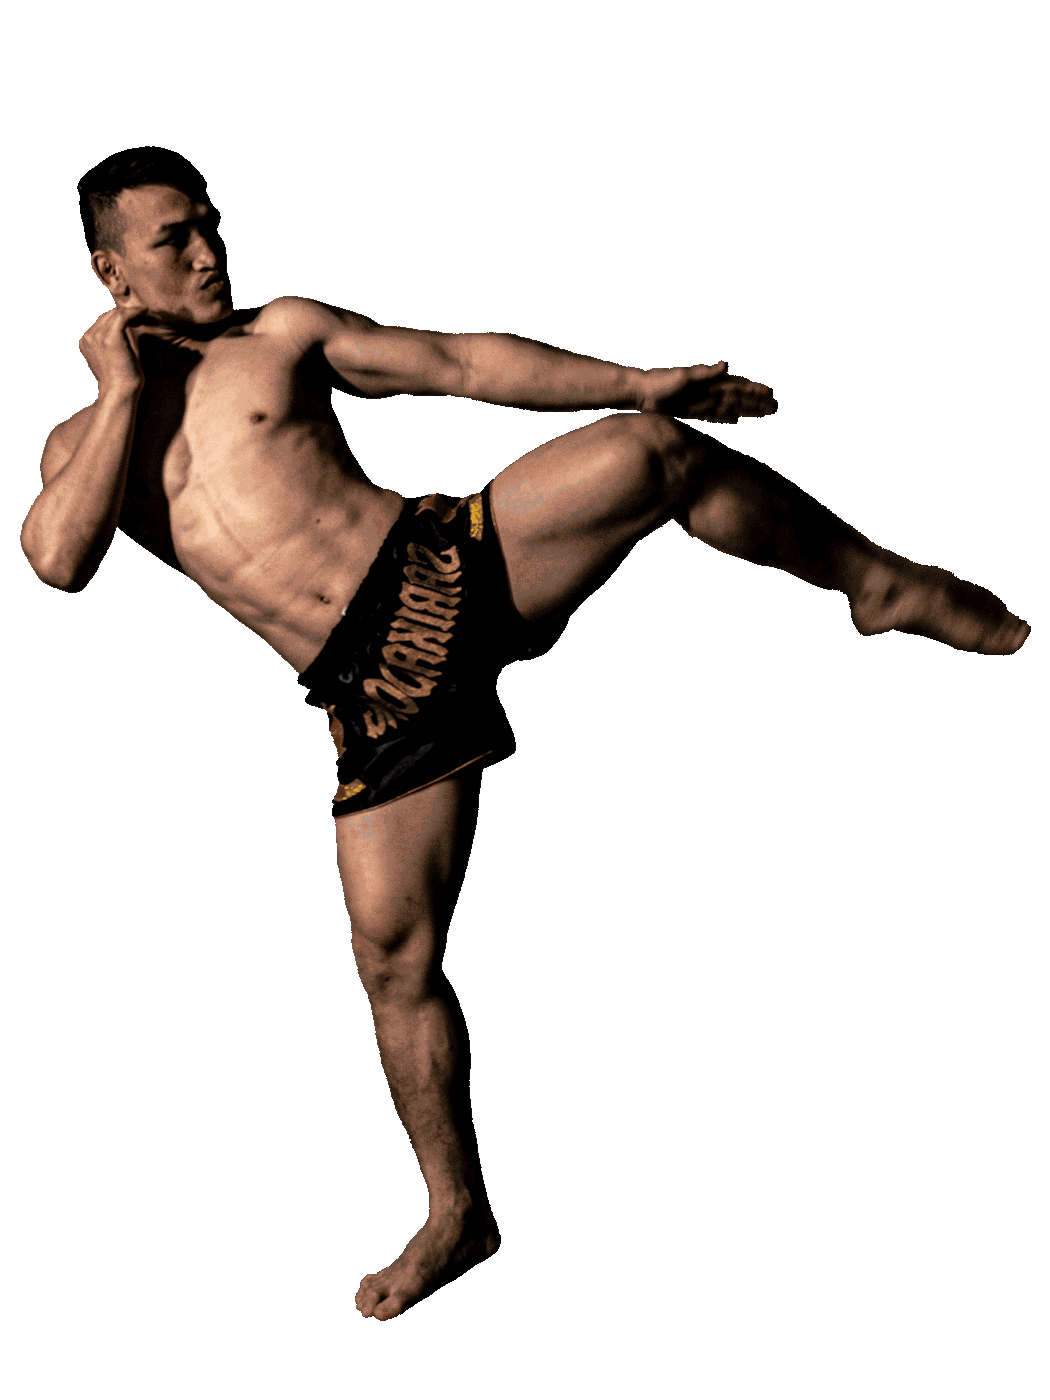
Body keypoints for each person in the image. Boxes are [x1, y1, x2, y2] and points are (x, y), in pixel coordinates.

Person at [20, 146, 1031, 1324]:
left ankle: (876, 582)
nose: (207, 252)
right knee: (392, 961)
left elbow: (458, 360)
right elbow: (57, 557)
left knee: (655, 452)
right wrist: (120, 392)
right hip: (371, 693)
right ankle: (459, 1213)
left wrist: (640, 379)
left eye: (209, 226)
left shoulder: (280, 333)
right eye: (172, 239)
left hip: (439, 570)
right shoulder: (81, 444)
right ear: (109, 271)